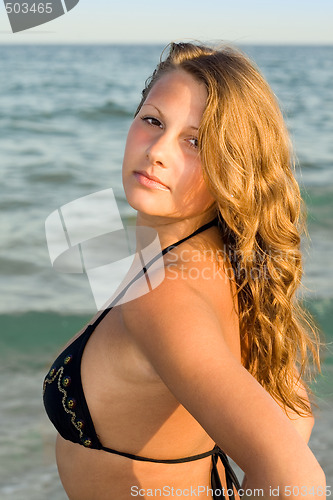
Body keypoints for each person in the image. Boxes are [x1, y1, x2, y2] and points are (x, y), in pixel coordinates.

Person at [43, 42, 326, 499]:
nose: (157, 150)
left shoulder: (164, 293)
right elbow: (295, 415)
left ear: (232, 165)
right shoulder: (224, 260)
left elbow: (297, 480)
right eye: (153, 120)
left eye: (194, 142)